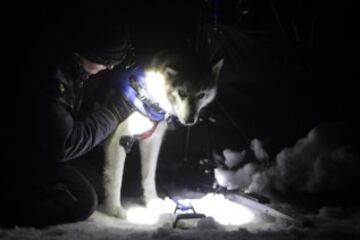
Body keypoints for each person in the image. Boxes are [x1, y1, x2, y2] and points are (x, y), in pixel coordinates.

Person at [0, 13, 135, 228]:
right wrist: (116, 110)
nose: (109, 68)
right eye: (107, 61)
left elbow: (71, 120)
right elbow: (65, 144)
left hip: (38, 144)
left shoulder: (72, 66)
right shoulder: (51, 76)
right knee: (83, 202)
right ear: (89, 51)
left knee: (97, 181)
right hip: (20, 150)